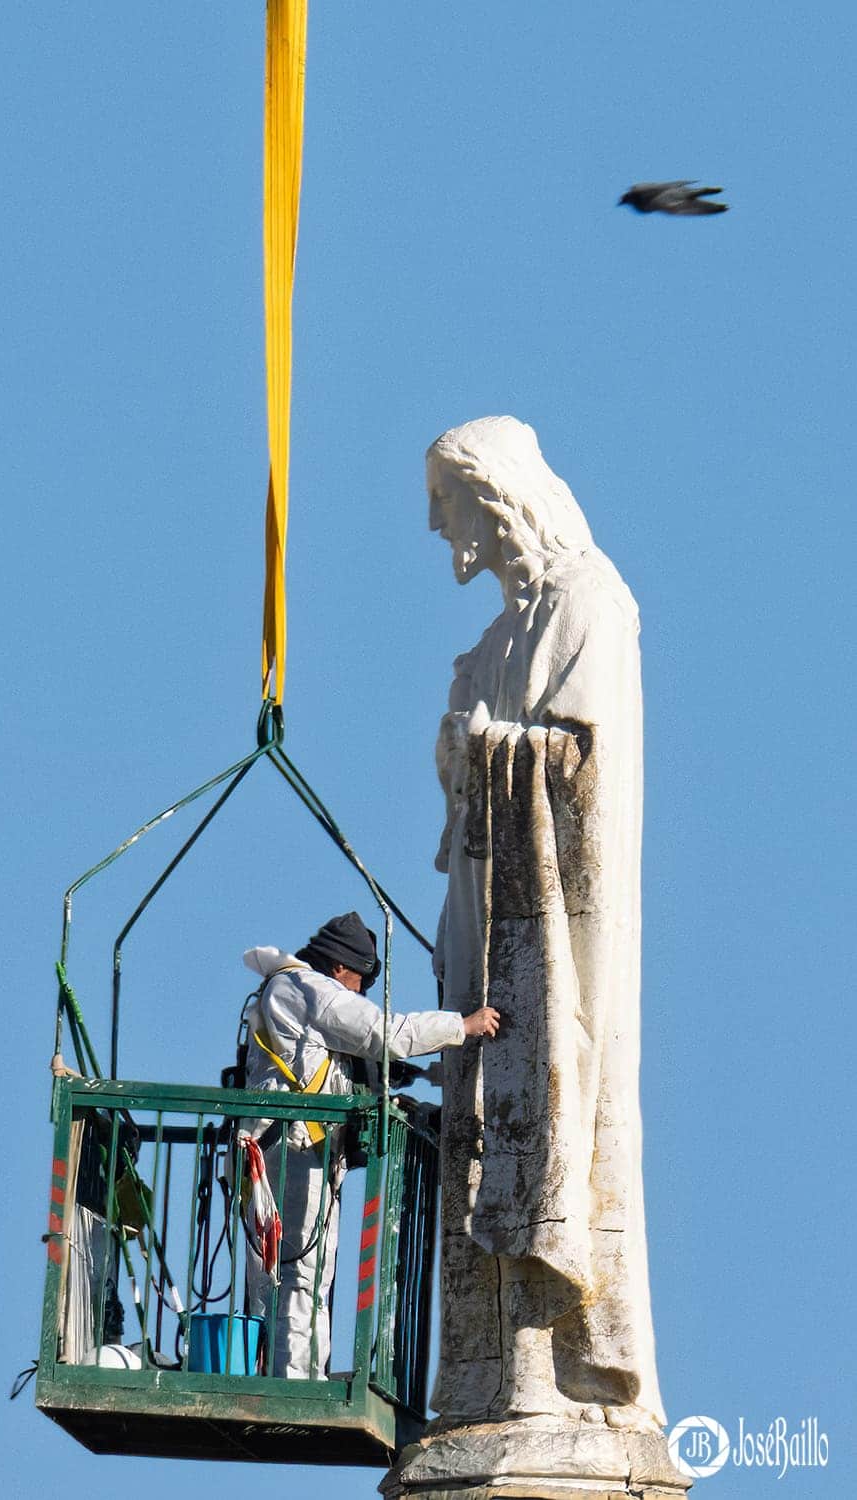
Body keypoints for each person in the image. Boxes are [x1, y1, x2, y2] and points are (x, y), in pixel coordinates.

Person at [427, 415, 665, 1432]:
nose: (439, 529)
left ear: (496, 494)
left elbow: (581, 763)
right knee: (480, 1125)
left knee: (556, 1126)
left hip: (557, 944)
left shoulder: (589, 602)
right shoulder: (487, 647)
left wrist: (487, 750)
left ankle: (564, 1373)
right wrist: (465, 746)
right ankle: (483, 1381)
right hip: (486, 932)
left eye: (447, 504)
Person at [241, 911, 499, 1380]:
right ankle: (295, 1381)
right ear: (340, 968)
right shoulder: (310, 990)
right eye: (358, 982)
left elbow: (341, 1065)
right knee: (302, 1270)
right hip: (295, 1151)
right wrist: (463, 1026)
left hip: (278, 1145)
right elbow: (387, 1034)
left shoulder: (283, 991)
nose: (356, 992)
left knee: (277, 1272)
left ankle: (277, 1372)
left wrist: (422, 1077)